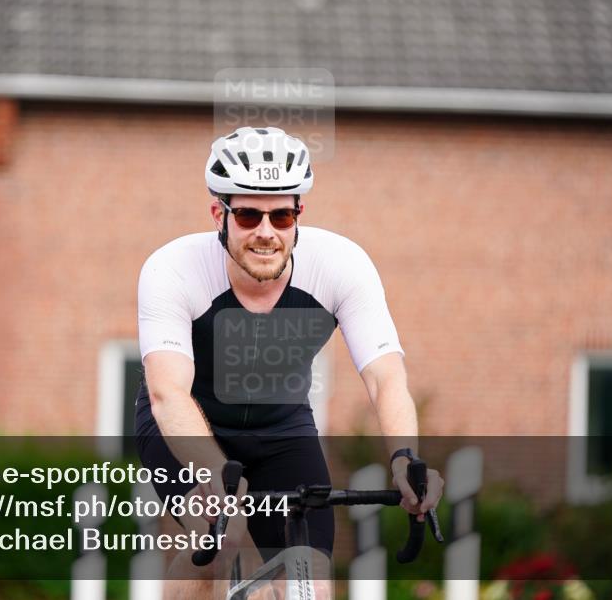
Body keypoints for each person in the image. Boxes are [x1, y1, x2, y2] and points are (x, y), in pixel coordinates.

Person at [135, 126, 443, 598]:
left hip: (282, 429)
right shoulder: (173, 268)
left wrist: (404, 458)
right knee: (219, 547)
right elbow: (167, 392)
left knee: (309, 584)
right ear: (219, 214)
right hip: (188, 428)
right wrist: (215, 479)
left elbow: (385, 377)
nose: (265, 232)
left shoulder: (341, 264)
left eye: (281, 216)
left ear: (299, 214)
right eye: (248, 215)